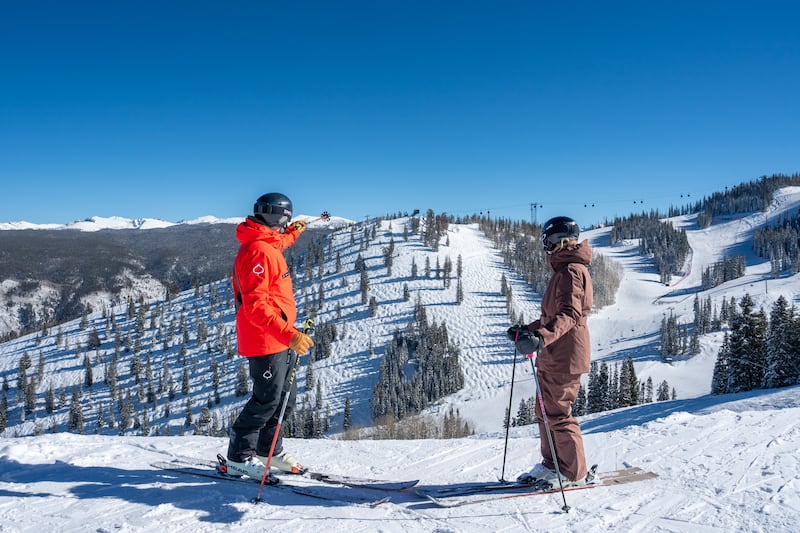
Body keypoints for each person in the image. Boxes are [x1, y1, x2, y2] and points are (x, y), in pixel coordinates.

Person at [225, 192, 314, 480]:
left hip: (279, 338)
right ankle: (239, 458)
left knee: (284, 400)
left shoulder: (267, 242)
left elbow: (279, 241)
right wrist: (289, 335)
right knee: (266, 401)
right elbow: (255, 306)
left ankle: (268, 451)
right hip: (266, 340)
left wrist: (294, 233)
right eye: (286, 220)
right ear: (280, 217)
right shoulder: (257, 252)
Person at [507, 216, 594, 487]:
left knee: (557, 413)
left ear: (555, 239)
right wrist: (528, 330)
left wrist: (540, 338)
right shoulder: (564, 270)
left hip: (565, 355)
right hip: (553, 354)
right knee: (544, 411)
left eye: (546, 239)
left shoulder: (570, 271)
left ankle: (572, 473)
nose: (545, 245)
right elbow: (552, 316)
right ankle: (552, 465)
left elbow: (570, 314)